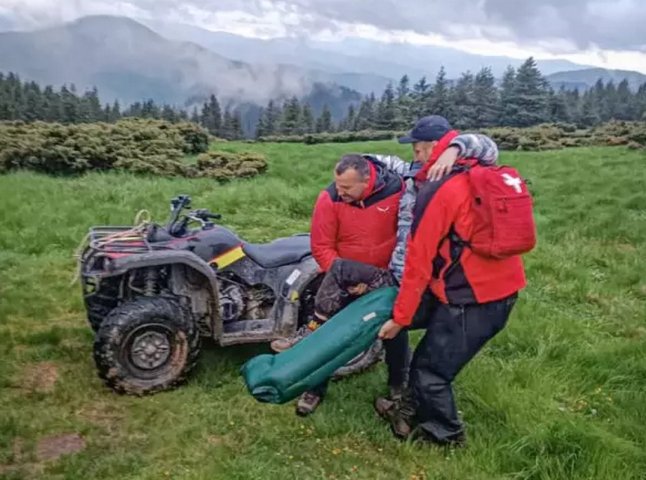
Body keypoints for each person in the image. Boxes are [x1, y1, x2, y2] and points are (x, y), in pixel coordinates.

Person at [271, 121, 500, 417]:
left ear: (367, 181)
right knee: (328, 334)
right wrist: (345, 281)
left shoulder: (400, 183)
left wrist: (454, 150)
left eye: (347, 188)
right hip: (344, 279)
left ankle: (397, 386)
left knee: (395, 334)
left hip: (386, 279)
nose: (340, 193)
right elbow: (322, 247)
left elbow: (488, 148)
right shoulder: (331, 198)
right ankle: (314, 388)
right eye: (338, 186)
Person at [376, 115, 528, 446]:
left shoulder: (441, 190)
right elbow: (484, 145)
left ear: (433, 147)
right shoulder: (478, 173)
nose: (415, 157)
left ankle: (446, 436)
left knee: (431, 374)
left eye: (418, 149)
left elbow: (418, 261)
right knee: (429, 359)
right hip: (494, 289)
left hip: (473, 300)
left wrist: (400, 320)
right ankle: (413, 411)